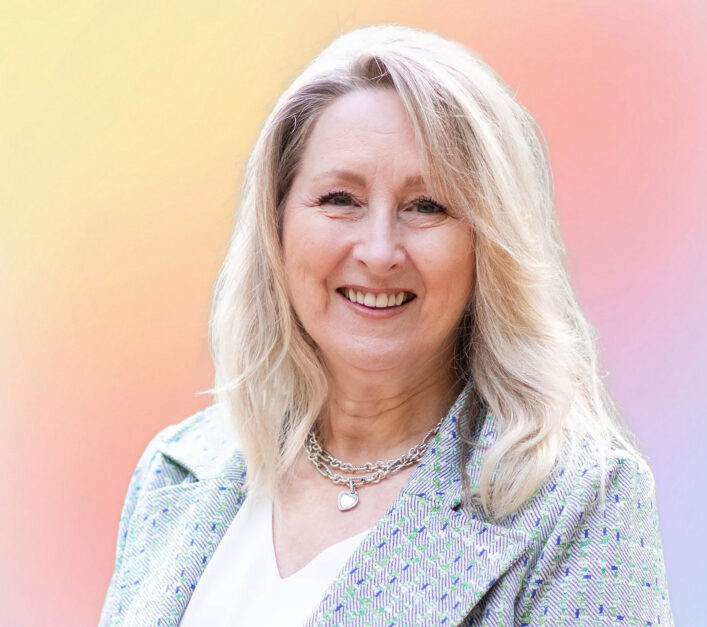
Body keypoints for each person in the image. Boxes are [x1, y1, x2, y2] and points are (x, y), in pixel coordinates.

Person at [99, 24, 673, 626]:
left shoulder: (579, 504)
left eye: (426, 206)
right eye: (339, 200)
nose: (378, 251)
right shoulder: (176, 471)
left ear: (487, 244)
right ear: (278, 224)